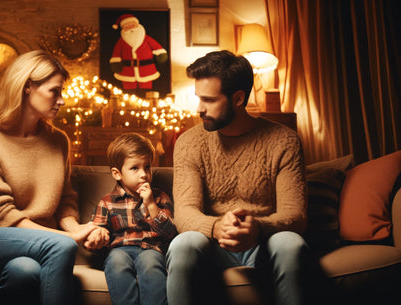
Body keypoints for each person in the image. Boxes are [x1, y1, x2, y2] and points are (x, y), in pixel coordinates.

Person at [0, 50, 97, 305]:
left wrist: (79, 229)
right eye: (55, 91)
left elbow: (65, 201)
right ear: (28, 86)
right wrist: (66, 238)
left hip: (35, 242)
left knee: (25, 271)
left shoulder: (58, 140)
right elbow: (2, 215)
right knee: (62, 247)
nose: (62, 100)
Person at [166, 50, 311, 305]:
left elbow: (295, 215)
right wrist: (215, 227)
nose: (199, 108)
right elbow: (185, 212)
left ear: (238, 98)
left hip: (265, 242)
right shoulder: (189, 142)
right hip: (211, 244)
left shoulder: (284, 140)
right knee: (183, 244)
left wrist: (258, 228)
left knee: (291, 243)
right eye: (199, 98)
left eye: (209, 100)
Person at [85, 133, 177, 305]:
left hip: (151, 248)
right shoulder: (107, 202)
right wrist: (97, 236)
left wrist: (150, 204)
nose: (143, 174)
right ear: (117, 173)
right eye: (135, 168)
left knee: (151, 263)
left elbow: (171, 233)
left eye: (147, 167)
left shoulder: (159, 198)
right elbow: (96, 232)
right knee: (116, 262)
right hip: (119, 250)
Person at [109, 14, 168, 91]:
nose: (130, 28)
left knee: (147, 89)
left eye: (132, 25)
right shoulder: (121, 41)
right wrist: (115, 63)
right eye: (126, 27)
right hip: (127, 70)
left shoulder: (146, 38)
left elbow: (155, 46)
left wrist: (161, 54)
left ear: (137, 25)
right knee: (128, 90)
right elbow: (116, 53)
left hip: (146, 69)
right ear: (122, 29)